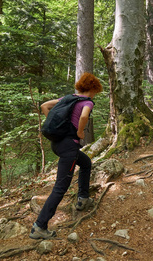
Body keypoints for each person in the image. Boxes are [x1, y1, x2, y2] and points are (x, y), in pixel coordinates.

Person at [29, 73, 103, 240]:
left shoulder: (68, 98)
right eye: (95, 91)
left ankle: (83, 198)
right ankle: (39, 226)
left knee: (85, 163)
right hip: (69, 147)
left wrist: (57, 127)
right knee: (60, 188)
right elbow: (84, 116)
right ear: (92, 89)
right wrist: (79, 131)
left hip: (58, 144)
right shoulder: (87, 102)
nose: (94, 95)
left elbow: (44, 106)